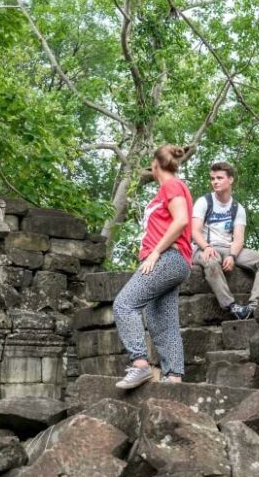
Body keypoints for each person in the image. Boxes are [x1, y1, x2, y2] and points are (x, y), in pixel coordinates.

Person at [113, 145, 194, 389]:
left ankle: (140, 365)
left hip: (167, 257)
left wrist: (156, 252)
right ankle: (174, 379)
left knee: (125, 304)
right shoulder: (167, 189)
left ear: (155, 165)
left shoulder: (171, 185)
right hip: (175, 261)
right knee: (162, 321)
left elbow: (181, 220)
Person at [191, 162, 259, 320]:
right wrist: (207, 247)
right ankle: (232, 306)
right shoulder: (204, 201)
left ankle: (253, 306)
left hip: (228, 248)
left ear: (230, 180)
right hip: (203, 248)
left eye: (219, 178)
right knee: (211, 261)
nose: (215, 181)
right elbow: (194, 231)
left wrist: (232, 256)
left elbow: (239, 238)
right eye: (212, 178)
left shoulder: (238, 208)